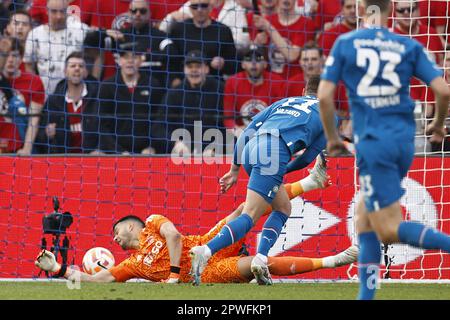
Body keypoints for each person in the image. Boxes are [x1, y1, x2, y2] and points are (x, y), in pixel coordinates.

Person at [318, 0, 450, 300]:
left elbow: (325, 98)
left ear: (362, 8)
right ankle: (366, 297)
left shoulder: (346, 42)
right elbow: (442, 90)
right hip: (405, 141)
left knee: (388, 228)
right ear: (391, 9)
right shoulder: (407, 45)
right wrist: (439, 125)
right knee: (365, 217)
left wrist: (333, 139)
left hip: (374, 144)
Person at [34, 179, 359, 283]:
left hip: (205, 244)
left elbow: (174, 236)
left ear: (129, 224)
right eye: (113, 239)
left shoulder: (150, 223)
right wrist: (58, 269)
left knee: (247, 209)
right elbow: (95, 281)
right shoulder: (133, 264)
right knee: (260, 264)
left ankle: (309, 183)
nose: (115, 239)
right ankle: (336, 260)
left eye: (116, 232)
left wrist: (174, 275)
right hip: (207, 273)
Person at [189, 75, 334, 286]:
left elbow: (248, 132)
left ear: (304, 91)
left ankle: (261, 259)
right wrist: (282, 169)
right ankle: (206, 250)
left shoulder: (285, 102)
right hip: (274, 152)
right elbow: (307, 158)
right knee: (250, 215)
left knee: (283, 207)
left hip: (251, 149)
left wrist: (234, 169)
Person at [97, 41, 165, 154]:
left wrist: (152, 146)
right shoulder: (107, 86)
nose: (130, 61)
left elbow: (158, 120)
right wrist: (118, 151)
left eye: (134, 56)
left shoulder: (153, 84)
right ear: (118, 60)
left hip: (146, 151)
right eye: (125, 57)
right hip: (115, 152)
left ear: (141, 60)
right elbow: (102, 124)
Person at [157, 50, 225, 155]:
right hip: (182, 153)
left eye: (198, 66)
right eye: (190, 67)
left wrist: (216, 146)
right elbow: (159, 126)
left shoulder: (220, 89)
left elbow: (229, 124)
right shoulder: (174, 93)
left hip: (215, 152)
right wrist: (175, 142)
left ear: (206, 69)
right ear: (184, 70)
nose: (194, 70)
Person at [35, 52, 99, 154]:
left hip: (91, 160)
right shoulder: (53, 101)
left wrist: (99, 149)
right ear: (65, 72)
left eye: (80, 66)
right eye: (73, 66)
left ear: (86, 72)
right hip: (62, 161)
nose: (77, 69)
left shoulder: (97, 99)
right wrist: (47, 134)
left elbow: (107, 129)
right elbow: (40, 135)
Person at [23, 0, 91, 94]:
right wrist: (35, 90)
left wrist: (93, 83)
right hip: (46, 93)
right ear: (47, 11)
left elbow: (97, 55)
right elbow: (29, 65)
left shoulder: (82, 30)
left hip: (77, 93)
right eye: (54, 11)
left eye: (62, 11)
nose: (59, 16)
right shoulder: (35, 34)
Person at [168, 0, 238, 82]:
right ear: (190, 9)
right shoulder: (178, 29)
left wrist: (223, 64)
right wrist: (174, 79)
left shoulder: (223, 31)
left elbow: (235, 63)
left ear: (211, 7)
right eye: (195, 6)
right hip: (184, 85)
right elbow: (171, 59)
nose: (199, 10)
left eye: (204, 6)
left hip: (214, 84)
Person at [223, 46, 285, 138]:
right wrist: (238, 131)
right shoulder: (232, 82)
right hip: (241, 135)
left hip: (269, 134)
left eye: (258, 59)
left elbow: (280, 117)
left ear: (265, 64)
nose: (253, 63)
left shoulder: (278, 82)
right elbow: (228, 118)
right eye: (248, 59)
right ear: (243, 64)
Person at [2, 37, 45, 155]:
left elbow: (34, 119)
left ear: (21, 59)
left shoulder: (34, 82)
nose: (10, 60)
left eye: (15, 56)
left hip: (21, 143)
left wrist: (27, 149)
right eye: (6, 55)